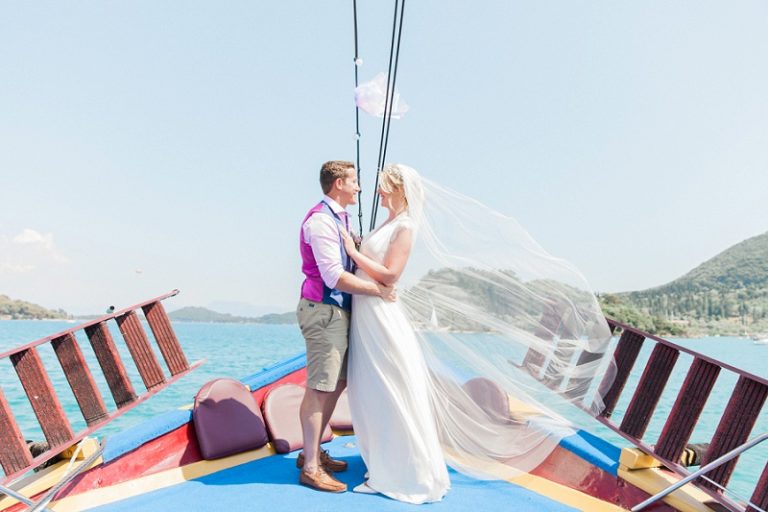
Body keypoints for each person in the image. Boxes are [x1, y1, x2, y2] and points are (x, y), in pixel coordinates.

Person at [342, 165, 451, 504]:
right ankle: (384, 461)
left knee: (387, 388)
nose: (378, 193)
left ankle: (398, 473)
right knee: (369, 389)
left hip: (380, 315)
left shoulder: (404, 226)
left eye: (384, 188)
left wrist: (353, 252)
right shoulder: (388, 224)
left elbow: (390, 275)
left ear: (399, 189)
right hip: (367, 313)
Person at [296, 160, 396, 493]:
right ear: (338, 183)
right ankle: (310, 466)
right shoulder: (322, 222)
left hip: (337, 312)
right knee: (320, 388)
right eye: (354, 181)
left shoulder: (340, 217)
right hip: (324, 312)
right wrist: (379, 291)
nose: (359, 187)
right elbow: (333, 276)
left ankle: (313, 453)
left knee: (335, 386)